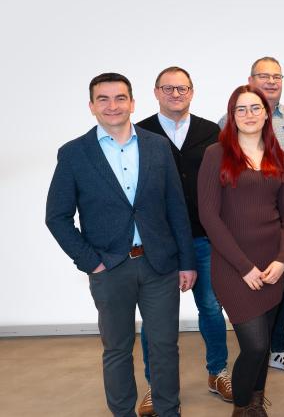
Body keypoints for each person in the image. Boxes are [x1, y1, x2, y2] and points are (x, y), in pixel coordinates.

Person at [45, 73, 196, 417]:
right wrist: (91, 262)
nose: (112, 106)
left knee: (164, 347)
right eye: (103, 99)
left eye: (119, 98)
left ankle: (168, 411)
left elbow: (176, 206)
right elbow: (56, 217)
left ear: (132, 102)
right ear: (91, 106)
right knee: (117, 349)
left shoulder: (157, 146)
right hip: (110, 269)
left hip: (160, 266)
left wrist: (187, 261)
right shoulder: (74, 154)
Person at [198, 86, 284, 416]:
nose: (249, 115)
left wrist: (283, 260)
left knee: (264, 344)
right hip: (233, 267)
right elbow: (209, 217)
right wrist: (244, 267)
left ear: (266, 113)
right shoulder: (216, 154)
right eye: (240, 109)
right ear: (232, 116)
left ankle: (256, 404)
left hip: (273, 266)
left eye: (255, 108)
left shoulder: (277, 156)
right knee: (255, 346)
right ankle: (242, 409)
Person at [135, 66, 231, 416]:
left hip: (203, 237)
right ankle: (155, 386)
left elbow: (223, 181)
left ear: (192, 92)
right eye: (169, 88)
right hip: (157, 242)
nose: (176, 94)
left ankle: (217, 372)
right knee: (156, 318)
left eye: (183, 88)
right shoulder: (140, 131)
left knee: (210, 307)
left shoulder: (211, 131)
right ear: (156, 92)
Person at [219, 56, 284, 376]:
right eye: (263, 76)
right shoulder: (227, 123)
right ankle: (255, 349)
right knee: (247, 282)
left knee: (283, 282)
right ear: (250, 79)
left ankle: (279, 348)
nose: (271, 82)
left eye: (277, 76)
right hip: (241, 220)